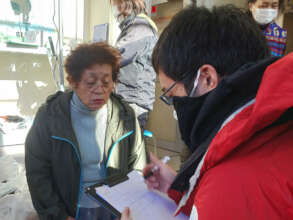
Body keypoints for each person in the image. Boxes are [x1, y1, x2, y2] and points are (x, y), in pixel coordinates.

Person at [120, 5, 293, 220]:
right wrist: (180, 187)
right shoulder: (272, 126)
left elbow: (228, 198)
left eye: (171, 94)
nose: (173, 105)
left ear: (207, 78)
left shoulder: (228, 182)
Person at [25, 42, 147, 220]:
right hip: (69, 210)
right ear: (72, 82)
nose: (99, 90)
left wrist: (130, 209)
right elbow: (38, 172)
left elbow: (138, 165)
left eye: (106, 82)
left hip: (114, 210)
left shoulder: (125, 116)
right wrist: (58, 216)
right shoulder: (50, 116)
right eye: (90, 83)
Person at [111, 0, 158, 129]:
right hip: (127, 100)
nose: (114, 9)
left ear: (125, 4)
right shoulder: (132, 27)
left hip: (134, 102)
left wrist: (93, 55)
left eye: (115, 5)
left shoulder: (141, 27)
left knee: (125, 146)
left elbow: (116, 56)